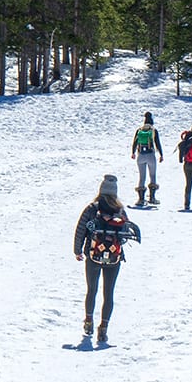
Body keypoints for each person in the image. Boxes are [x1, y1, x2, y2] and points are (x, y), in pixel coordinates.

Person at [73, 174, 140, 346]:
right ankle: (103, 328)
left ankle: (88, 321)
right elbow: (125, 234)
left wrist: (78, 250)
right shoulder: (120, 211)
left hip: (93, 256)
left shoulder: (92, 209)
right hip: (113, 258)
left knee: (92, 290)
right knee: (108, 293)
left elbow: (81, 229)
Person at [130, 112, 162, 207]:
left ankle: (141, 199)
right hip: (150, 155)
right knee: (152, 175)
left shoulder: (139, 130)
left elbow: (135, 142)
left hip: (140, 155)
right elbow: (157, 143)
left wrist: (133, 153)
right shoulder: (153, 130)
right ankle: (152, 198)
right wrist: (161, 154)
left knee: (142, 176)